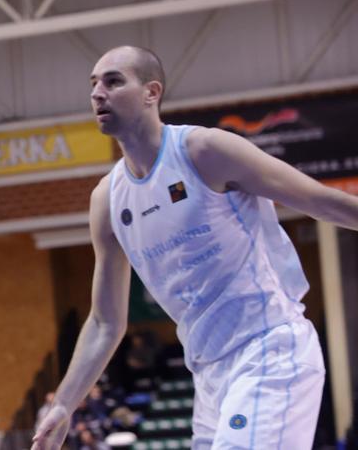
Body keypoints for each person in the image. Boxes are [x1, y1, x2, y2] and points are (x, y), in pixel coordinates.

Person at [33, 46, 358, 449]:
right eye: (93, 84)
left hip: (270, 350)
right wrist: (64, 403)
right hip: (209, 376)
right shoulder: (108, 201)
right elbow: (104, 323)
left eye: (114, 81)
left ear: (152, 92)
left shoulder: (205, 151)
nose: (98, 93)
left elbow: (320, 201)